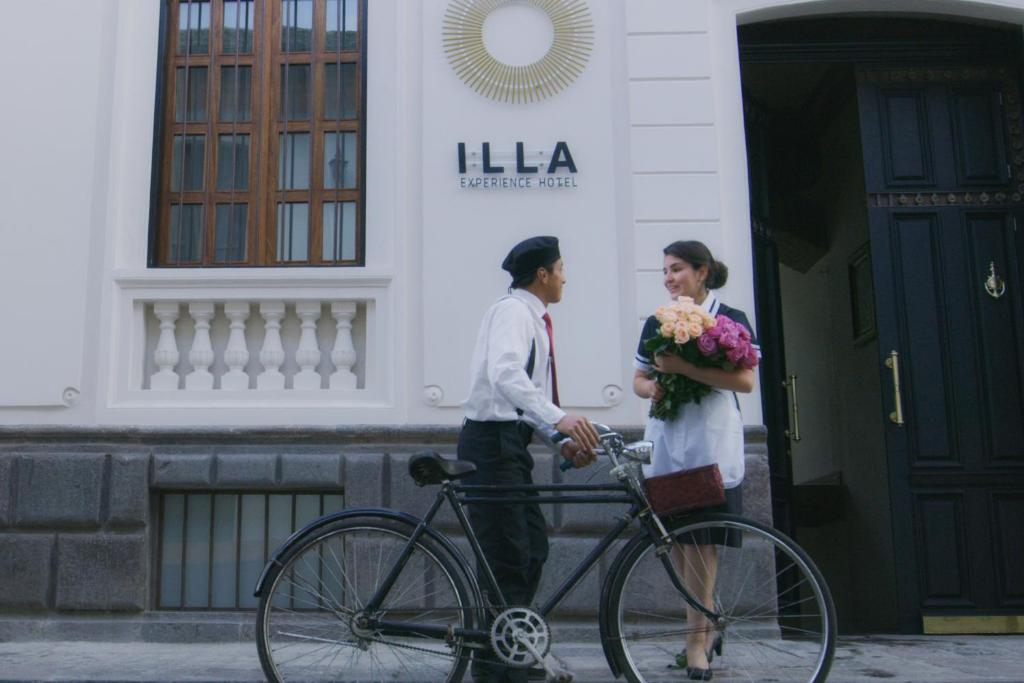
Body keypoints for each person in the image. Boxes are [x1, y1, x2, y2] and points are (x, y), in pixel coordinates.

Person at [459, 235, 600, 683]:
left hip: (509, 444)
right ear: (542, 274)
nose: (564, 278)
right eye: (560, 269)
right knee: (508, 556)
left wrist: (561, 443)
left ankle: (504, 647)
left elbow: (525, 398)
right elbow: (505, 375)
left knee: (531, 549)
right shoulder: (513, 313)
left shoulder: (532, 318)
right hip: (491, 446)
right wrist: (561, 419)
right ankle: (500, 664)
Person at [632, 240, 758, 682]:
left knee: (702, 540)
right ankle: (706, 622)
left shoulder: (731, 318)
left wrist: (684, 370)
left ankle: (695, 644)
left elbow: (744, 381)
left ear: (703, 271)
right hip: (670, 438)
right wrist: (653, 388)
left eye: (678, 269)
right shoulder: (656, 322)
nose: (668, 278)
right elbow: (639, 378)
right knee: (680, 543)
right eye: (665, 270)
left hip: (712, 439)